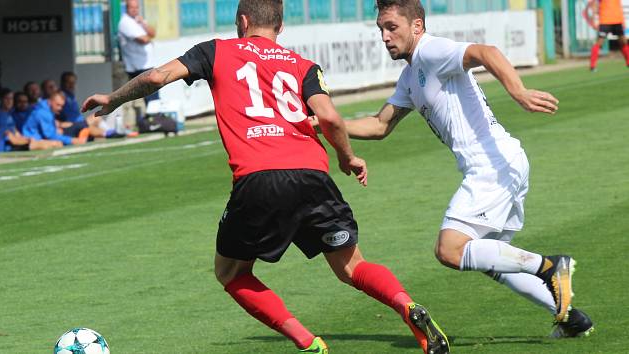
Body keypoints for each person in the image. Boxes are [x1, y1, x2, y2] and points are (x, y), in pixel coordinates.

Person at [81, 1, 449, 353]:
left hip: (259, 177)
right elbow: (332, 119)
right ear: (280, 26)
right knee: (353, 266)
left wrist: (115, 99)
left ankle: (309, 342)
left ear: (242, 22)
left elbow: (158, 76)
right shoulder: (303, 65)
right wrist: (347, 157)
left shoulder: (216, 51)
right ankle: (406, 305)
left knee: (230, 272)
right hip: (312, 175)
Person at [337, 0, 593, 339]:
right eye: (381, 29)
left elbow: (486, 52)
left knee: (450, 249)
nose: (384, 36)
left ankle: (550, 266)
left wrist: (518, 91)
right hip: (505, 161)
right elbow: (379, 125)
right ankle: (571, 318)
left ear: (417, 26)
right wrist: (328, 123)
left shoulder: (430, 50)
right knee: (490, 260)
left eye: (391, 27)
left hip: (490, 166)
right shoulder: (410, 76)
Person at [118, 0, 159, 103]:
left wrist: (143, 24)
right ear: (127, 8)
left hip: (147, 65)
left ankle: (155, 116)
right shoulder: (125, 22)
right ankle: (152, 117)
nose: (135, 10)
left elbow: (153, 32)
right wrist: (149, 38)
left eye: (136, 7)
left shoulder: (138, 20)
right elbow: (143, 40)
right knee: (150, 96)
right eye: (132, 7)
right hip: (137, 66)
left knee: (154, 93)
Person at [22, 90, 87, 147]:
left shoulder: (44, 106)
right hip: (30, 141)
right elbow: (50, 135)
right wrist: (72, 140)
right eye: (58, 105)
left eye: (61, 106)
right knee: (58, 144)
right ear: (50, 101)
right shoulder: (44, 112)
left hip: (35, 137)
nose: (60, 108)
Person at [584, 0, 629, 71]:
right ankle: (592, 66)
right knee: (599, 42)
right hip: (605, 21)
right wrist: (593, 19)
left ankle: (628, 61)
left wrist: (623, 21)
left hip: (617, 20)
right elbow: (595, 4)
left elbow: (618, 6)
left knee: (623, 42)